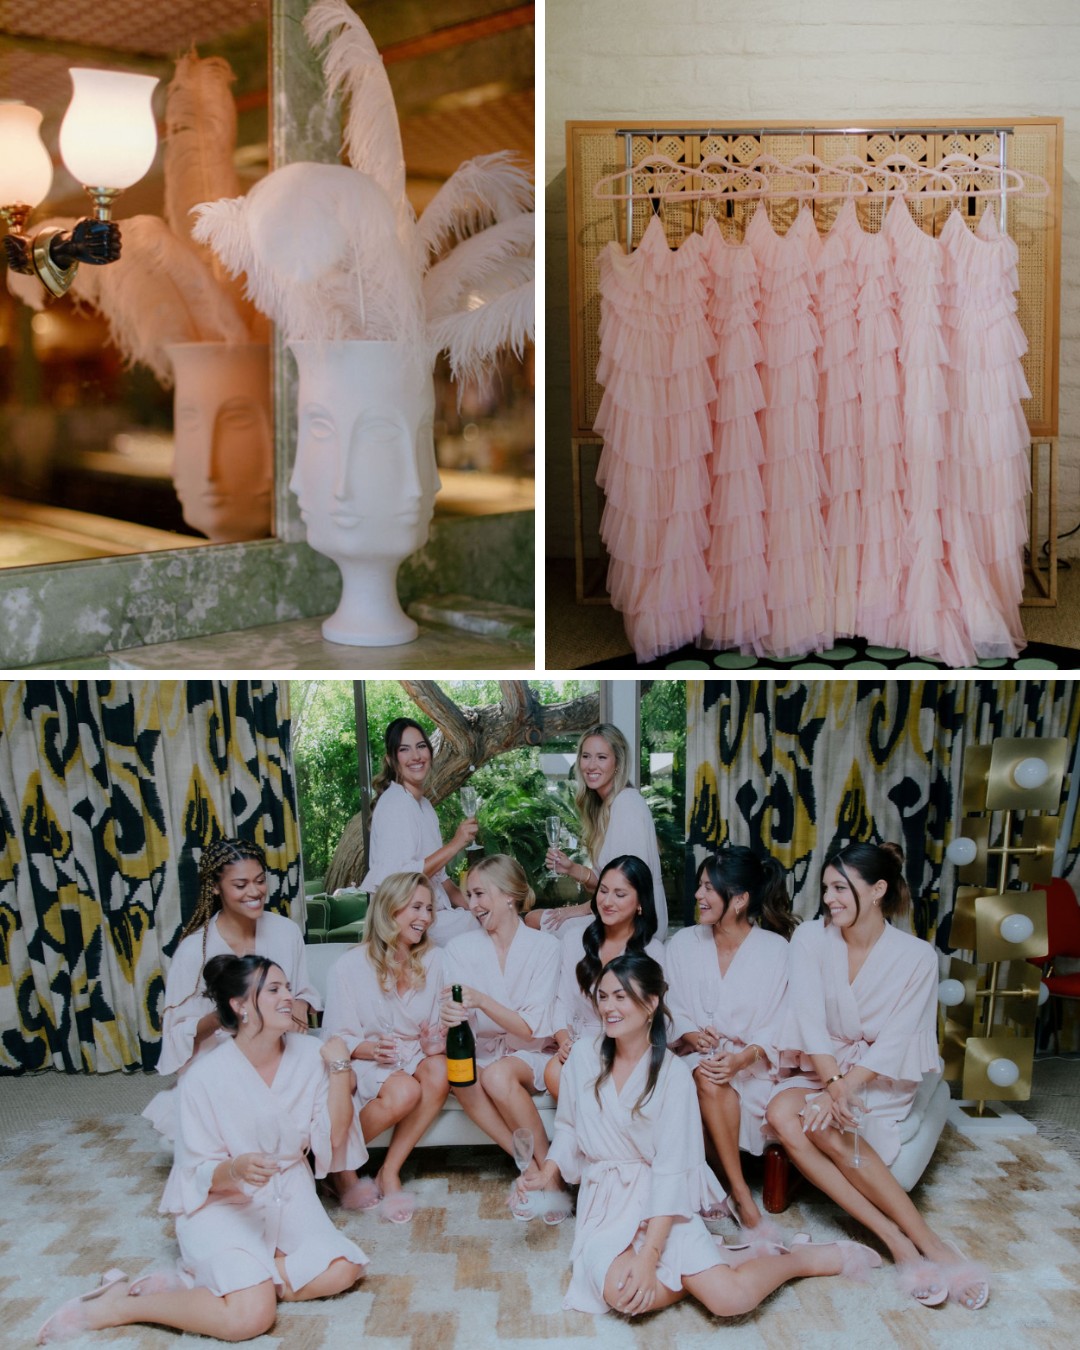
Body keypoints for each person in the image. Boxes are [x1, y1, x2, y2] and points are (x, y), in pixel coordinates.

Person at [519, 952, 878, 1317]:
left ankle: (798, 1260)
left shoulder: (673, 1075)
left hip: (660, 1202)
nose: (608, 1007)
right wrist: (546, 1175)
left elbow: (670, 1173)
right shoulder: (582, 1056)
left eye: (620, 996)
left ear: (651, 1004)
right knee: (621, 1295)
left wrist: (649, 1257)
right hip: (606, 1204)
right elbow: (567, 1129)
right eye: (603, 996)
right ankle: (717, 1259)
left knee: (729, 1301)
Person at [36, 955, 366, 1344]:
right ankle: (119, 1304)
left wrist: (341, 1065)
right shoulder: (205, 1077)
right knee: (250, 1318)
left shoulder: (311, 1056)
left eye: (288, 988)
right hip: (222, 1201)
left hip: (287, 1191)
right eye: (274, 990)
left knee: (344, 1269)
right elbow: (197, 1172)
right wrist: (237, 1169)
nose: (289, 998)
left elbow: (334, 1136)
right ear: (240, 1005)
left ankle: (232, 1282)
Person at [765, 841, 990, 1310]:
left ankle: (928, 1242)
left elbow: (895, 1042)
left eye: (841, 888)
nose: (829, 899)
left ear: (878, 890)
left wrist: (844, 1089)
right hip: (821, 1063)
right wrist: (830, 1085)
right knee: (782, 1114)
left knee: (820, 1122)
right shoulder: (810, 939)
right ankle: (896, 1239)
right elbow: (809, 1019)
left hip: (878, 1075)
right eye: (826, 888)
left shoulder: (917, 957)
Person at [144, 837, 319, 1140]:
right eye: (240, 885)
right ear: (215, 887)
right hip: (223, 1054)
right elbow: (176, 1036)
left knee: (332, 1076)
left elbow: (303, 991)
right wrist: (226, 1015)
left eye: (260, 881)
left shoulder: (286, 932)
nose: (255, 892)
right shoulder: (193, 951)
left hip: (281, 1045)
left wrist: (301, 1005)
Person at [666, 847, 795, 1229]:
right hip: (692, 1057)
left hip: (754, 1066)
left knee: (715, 1077)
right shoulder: (683, 944)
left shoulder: (776, 951)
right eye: (699, 886)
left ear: (739, 900)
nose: (698, 896)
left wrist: (743, 1058)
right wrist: (689, 1031)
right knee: (704, 1074)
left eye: (709, 888)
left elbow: (782, 1020)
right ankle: (739, 1192)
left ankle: (727, 1187)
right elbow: (668, 1005)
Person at [320, 872, 449, 1220]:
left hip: (416, 1052)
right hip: (368, 1056)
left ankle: (388, 1170)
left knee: (440, 1070)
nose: (425, 917)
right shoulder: (348, 966)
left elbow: (438, 1027)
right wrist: (368, 1049)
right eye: (416, 907)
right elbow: (335, 1038)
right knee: (405, 1091)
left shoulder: (434, 959)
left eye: (429, 908)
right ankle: (335, 1163)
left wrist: (433, 1040)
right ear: (390, 909)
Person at [439, 854, 564, 1212]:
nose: (472, 904)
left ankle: (550, 1178)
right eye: (469, 895)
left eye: (480, 894)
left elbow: (531, 1026)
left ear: (509, 895)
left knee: (497, 1075)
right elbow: (458, 1015)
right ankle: (533, 1167)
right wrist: (451, 1014)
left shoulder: (546, 948)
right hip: (485, 1051)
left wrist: (481, 999)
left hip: (530, 1053)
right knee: (460, 1077)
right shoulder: (459, 949)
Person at [543, 854, 665, 1099]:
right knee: (553, 1071)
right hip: (580, 1043)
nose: (607, 901)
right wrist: (564, 1040)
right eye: (603, 891)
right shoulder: (575, 940)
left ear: (640, 902)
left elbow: (656, 1018)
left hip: (630, 1047)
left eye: (619, 895)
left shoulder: (652, 951)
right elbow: (561, 1001)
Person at [536, 723, 669, 939]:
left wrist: (571, 911)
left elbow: (624, 889)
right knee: (535, 919)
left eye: (601, 757)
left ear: (617, 762)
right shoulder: (606, 806)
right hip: (616, 914)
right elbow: (605, 883)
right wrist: (571, 869)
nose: (591, 765)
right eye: (586, 756)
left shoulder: (627, 806)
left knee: (535, 921)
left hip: (635, 923)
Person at [361, 718, 478, 945]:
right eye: (404, 750)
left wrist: (477, 907)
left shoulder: (424, 806)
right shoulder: (395, 804)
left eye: (421, 746)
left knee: (493, 920)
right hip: (406, 922)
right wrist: (455, 844)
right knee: (489, 933)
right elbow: (400, 881)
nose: (416, 756)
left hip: (436, 915)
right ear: (391, 760)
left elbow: (442, 881)